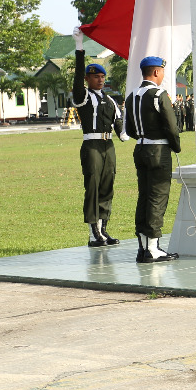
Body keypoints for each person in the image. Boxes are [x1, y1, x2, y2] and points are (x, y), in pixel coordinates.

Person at [71, 28, 128, 247]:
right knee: (93, 186)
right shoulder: (83, 96)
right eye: (96, 76)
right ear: (87, 78)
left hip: (108, 146)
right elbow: (77, 78)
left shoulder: (110, 100)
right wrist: (79, 48)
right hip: (92, 145)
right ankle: (93, 231)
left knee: (107, 185)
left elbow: (119, 122)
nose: (100, 80)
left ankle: (103, 229)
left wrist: (123, 132)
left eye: (103, 76)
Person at [124, 55, 182, 263]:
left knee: (144, 196)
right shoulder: (158, 95)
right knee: (157, 197)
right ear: (156, 72)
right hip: (158, 150)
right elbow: (171, 126)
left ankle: (142, 246)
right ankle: (153, 248)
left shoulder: (132, 96)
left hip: (140, 148)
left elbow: (129, 128)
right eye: (163, 71)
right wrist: (176, 146)